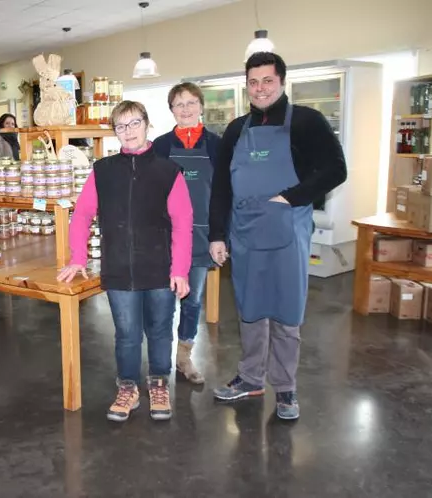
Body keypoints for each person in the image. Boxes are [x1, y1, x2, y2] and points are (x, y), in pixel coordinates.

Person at [208, 52, 347, 420]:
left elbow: (336, 169)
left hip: (287, 228)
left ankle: (285, 388)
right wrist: (217, 234)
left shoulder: (306, 121)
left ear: (281, 81)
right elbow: (221, 185)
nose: (260, 88)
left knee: (286, 311)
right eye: (253, 82)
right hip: (245, 232)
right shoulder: (236, 129)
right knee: (250, 309)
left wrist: (291, 196)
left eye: (267, 80)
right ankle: (251, 378)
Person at [58, 101, 193, 423]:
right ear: (114, 131)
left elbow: (183, 223)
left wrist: (180, 271)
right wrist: (78, 256)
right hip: (118, 268)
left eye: (134, 123)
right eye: (121, 126)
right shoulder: (103, 170)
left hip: (160, 268)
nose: (128, 131)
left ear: (147, 125)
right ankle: (128, 387)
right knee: (127, 334)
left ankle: (159, 384)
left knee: (160, 330)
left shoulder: (168, 171)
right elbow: (81, 215)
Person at [153, 82, 222, 385]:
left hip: (202, 237)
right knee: (163, 302)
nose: (186, 109)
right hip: (166, 237)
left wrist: (222, 235)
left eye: (191, 102)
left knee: (192, 301)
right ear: (171, 110)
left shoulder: (217, 145)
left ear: (201, 106)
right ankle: (158, 362)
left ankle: (184, 358)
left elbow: (224, 194)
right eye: (179, 104)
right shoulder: (160, 146)